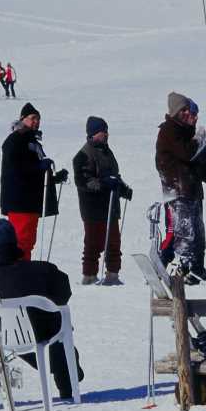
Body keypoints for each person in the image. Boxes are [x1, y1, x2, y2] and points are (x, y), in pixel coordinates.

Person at [0, 219, 84, 400]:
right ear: (14, 244)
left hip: (0, 337)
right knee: (57, 324)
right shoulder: (42, 271)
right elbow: (63, 294)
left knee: (45, 326)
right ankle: (67, 383)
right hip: (40, 334)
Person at [155, 92, 206, 284]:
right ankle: (182, 269)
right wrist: (199, 139)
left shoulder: (191, 135)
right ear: (178, 112)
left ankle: (197, 267)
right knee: (185, 234)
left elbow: (203, 168)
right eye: (188, 111)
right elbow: (187, 153)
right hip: (177, 192)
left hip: (192, 192)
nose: (193, 116)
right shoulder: (169, 131)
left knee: (198, 234)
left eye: (194, 113)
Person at [0, 103, 67, 261]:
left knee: (28, 242)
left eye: (38, 119)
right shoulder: (16, 139)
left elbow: (35, 173)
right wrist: (39, 167)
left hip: (30, 201)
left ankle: (24, 270)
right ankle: (18, 271)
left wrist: (54, 178)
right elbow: (16, 167)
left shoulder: (32, 142)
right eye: (33, 118)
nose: (36, 122)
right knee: (21, 242)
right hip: (20, 201)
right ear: (22, 119)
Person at [73, 116, 132, 285]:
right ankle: (89, 275)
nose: (105, 134)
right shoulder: (83, 155)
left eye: (106, 131)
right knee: (93, 243)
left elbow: (114, 175)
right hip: (93, 208)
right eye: (101, 131)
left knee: (113, 242)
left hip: (110, 206)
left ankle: (113, 274)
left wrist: (122, 188)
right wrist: (103, 183)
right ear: (92, 133)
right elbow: (83, 181)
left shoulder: (107, 151)